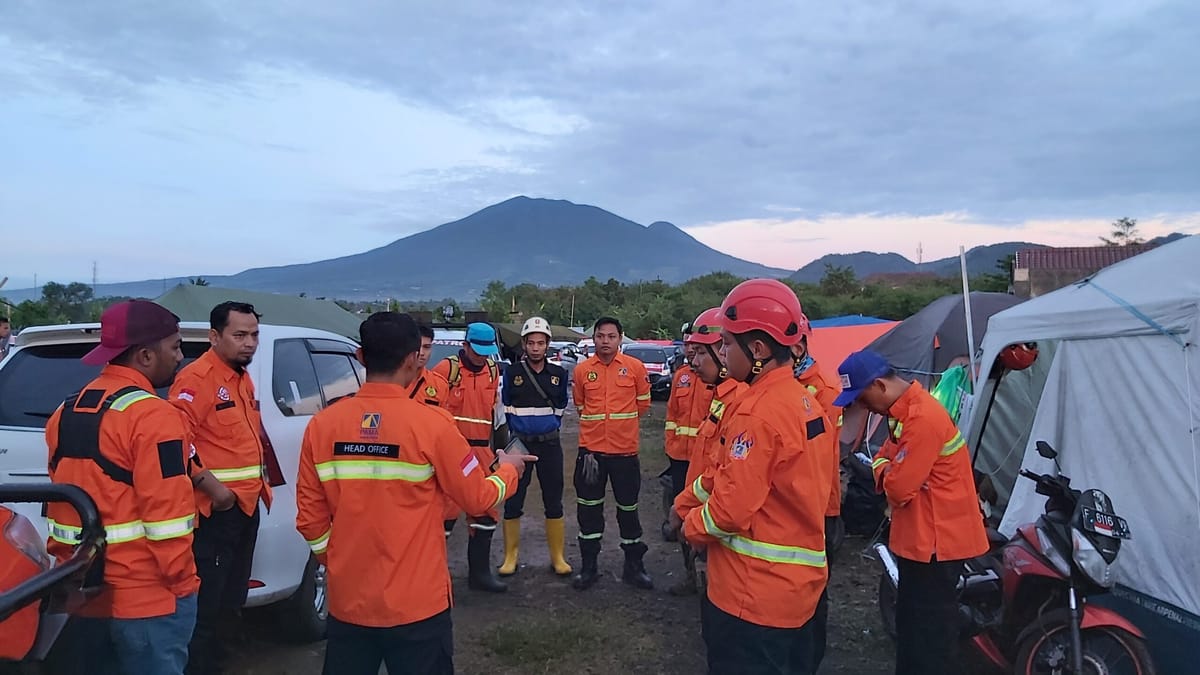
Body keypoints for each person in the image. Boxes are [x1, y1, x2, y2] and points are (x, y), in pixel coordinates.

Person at [295, 312, 534, 675]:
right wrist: (509, 470)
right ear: (412, 359)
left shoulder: (322, 426)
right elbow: (478, 498)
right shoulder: (433, 425)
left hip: (349, 603)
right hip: (418, 605)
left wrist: (339, 561)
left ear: (360, 356)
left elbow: (310, 519)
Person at [679, 279, 832, 674]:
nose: (722, 353)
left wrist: (690, 526)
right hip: (797, 592)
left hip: (752, 597)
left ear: (759, 350)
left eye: (728, 343)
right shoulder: (803, 402)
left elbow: (729, 510)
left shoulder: (757, 412)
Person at [44, 300, 199, 675]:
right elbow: (167, 516)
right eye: (176, 347)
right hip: (147, 599)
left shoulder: (64, 412)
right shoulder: (155, 417)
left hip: (82, 593)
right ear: (145, 355)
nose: (180, 357)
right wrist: (184, 584)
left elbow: (62, 500)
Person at [834, 350, 988, 675]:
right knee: (912, 628)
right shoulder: (904, 415)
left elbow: (899, 489)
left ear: (879, 385)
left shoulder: (923, 419)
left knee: (930, 637)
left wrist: (887, 470)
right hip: (922, 541)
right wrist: (888, 468)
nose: (862, 407)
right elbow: (884, 458)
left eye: (862, 398)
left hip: (938, 544)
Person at [169, 301, 271, 675]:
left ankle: (219, 663)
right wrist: (215, 490)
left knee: (231, 600)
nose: (249, 343)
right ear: (215, 336)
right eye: (239, 335)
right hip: (216, 512)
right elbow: (176, 440)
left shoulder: (241, 378)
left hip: (245, 506)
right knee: (208, 607)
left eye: (254, 335)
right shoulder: (197, 379)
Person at [667, 307, 747, 598]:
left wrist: (687, 507)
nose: (694, 361)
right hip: (696, 489)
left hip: (714, 509)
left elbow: (727, 474)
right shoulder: (722, 396)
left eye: (701, 352)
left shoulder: (739, 402)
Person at [571, 316, 653, 590]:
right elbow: (580, 406)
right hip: (591, 456)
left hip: (624, 454)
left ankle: (634, 567)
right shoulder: (582, 370)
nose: (605, 341)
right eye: (600, 336)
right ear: (593, 338)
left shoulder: (634, 368)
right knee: (588, 511)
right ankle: (589, 568)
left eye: (611, 336)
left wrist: (620, 429)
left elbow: (643, 405)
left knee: (628, 510)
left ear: (620, 338)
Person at [432, 322, 508, 592]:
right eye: (477, 351)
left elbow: (496, 415)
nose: (481, 357)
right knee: (443, 516)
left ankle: (480, 574)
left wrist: (500, 449)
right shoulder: (445, 371)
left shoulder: (493, 371)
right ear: (465, 345)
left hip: (482, 452)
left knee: (486, 512)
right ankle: (433, 579)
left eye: (487, 352)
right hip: (452, 453)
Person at [497, 316, 572, 577]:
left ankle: (558, 558)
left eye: (541, 343)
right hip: (519, 445)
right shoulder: (512, 373)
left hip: (549, 444)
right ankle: (510, 557)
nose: (536, 348)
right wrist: (520, 431)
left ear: (547, 345)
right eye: (531, 343)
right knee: (513, 499)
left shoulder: (559, 374)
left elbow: (561, 406)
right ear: (524, 345)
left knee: (553, 499)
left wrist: (547, 426)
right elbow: (506, 405)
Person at [790, 311, 843, 672]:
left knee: (811, 591)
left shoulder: (823, 390)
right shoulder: (781, 385)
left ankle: (807, 661)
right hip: (793, 504)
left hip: (818, 506)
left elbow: (819, 456)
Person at [661, 322, 709, 544]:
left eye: (696, 346)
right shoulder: (681, 376)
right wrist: (670, 444)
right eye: (687, 344)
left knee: (701, 502)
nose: (690, 350)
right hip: (679, 454)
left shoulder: (719, 379)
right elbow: (672, 413)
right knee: (680, 498)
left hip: (705, 458)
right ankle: (681, 538)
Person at [411, 324, 450, 406]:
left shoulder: (440, 384)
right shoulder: (391, 379)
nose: (421, 353)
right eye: (416, 346)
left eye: (426, 347)